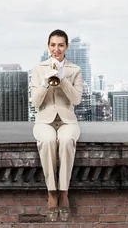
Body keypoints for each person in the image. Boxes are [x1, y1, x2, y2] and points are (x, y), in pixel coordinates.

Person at [30, 29, 83, 222]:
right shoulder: (38, 69)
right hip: (44, 120)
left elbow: (76, 100)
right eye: (53, 45)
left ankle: (63, 192)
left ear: (66, 47)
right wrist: (46, 82)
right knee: (47, 140)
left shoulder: (74, 70)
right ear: (48, 46)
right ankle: (52, 192)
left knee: (67, 140)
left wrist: (63, 80)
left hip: (67, 120)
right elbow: (35, 103)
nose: (56, 49)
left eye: (61, 45)